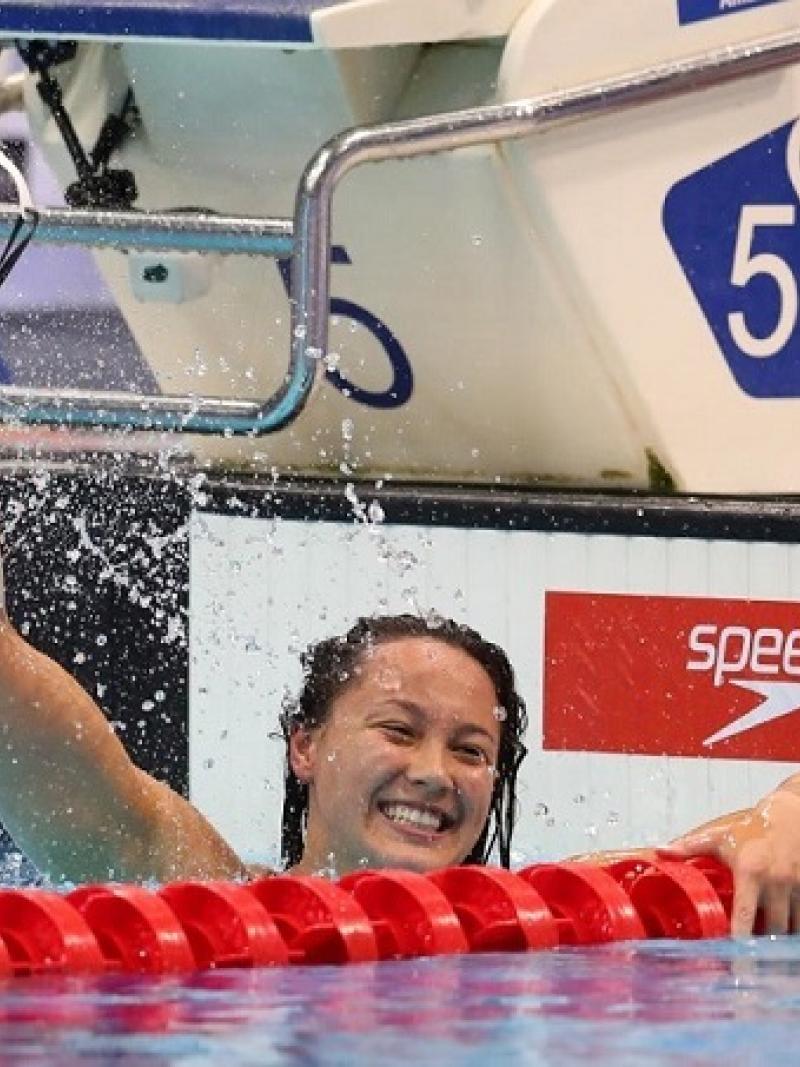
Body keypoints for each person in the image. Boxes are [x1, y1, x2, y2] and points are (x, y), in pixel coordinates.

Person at [0, 554, 798, 937]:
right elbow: (29, 728)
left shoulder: (534, 921)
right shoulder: (203, 890)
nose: (432, 774)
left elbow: (733, 852)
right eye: (398, 729)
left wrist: (788, 808)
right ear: (304, 746)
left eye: (471, 749)